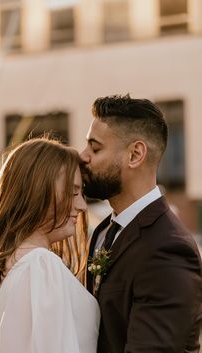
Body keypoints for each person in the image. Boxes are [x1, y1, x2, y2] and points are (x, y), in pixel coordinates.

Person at [80, 94, 202, 353]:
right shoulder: (104, 229)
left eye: (95, 148)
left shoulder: (168, 250)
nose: (83, 157)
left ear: (135, 155)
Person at [0, 137, 100, 353]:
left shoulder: (11, 266)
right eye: (74, 192)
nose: (82, 205)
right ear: (38, 191)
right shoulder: (40, 265)